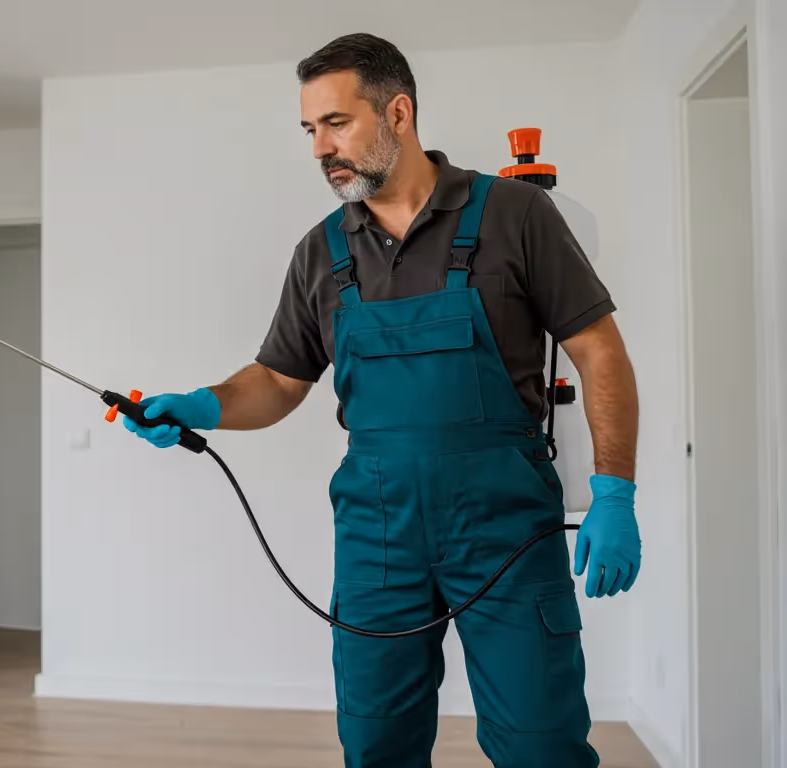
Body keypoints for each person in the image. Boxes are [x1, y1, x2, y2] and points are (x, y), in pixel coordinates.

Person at [123, 33, 641, 768]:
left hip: (505, 524)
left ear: (398, 113)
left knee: (541, 744)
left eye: (336, 123)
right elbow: (277, 379)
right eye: (310, 129)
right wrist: (200, 406)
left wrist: (614, 490)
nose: (318, 148)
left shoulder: (515, 214)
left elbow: (599, 350)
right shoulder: (322, 250)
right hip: (378, 535)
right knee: (376, 743)